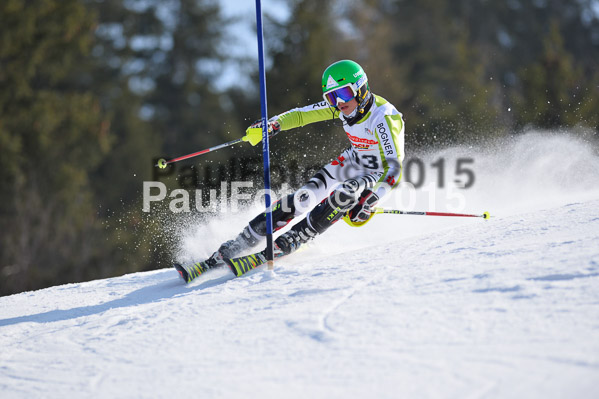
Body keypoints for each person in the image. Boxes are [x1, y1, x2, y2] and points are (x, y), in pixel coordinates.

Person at [176, 59, 405, 281]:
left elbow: (394, 167)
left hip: (375, 173)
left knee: (345, 193)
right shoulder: (341, 108)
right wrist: (274, 124)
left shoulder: (383, 117)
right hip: (351, 160)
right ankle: (235, 246)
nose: (338, 103)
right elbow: (301, 115)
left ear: (361, 89)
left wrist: (372, 198)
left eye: (343, 94)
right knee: (302, 198)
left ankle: (292, 240)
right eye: (331, 97)